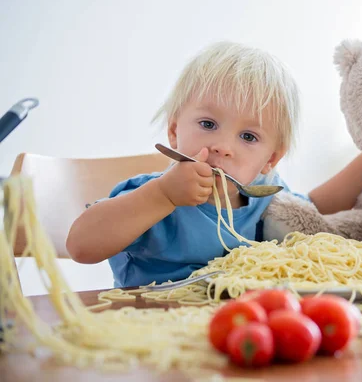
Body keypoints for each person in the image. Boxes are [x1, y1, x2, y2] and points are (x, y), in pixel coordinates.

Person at [66, 41, 304, 288]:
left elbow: (315, 216)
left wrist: (350, 172)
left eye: (248, 137)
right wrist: (161, 195)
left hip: (238, 321)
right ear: (174, 130)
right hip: (150, 320)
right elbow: (80, 247)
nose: (222, 146)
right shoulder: (152, 196)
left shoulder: (269, 197)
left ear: (271, 160)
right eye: (208, 124)